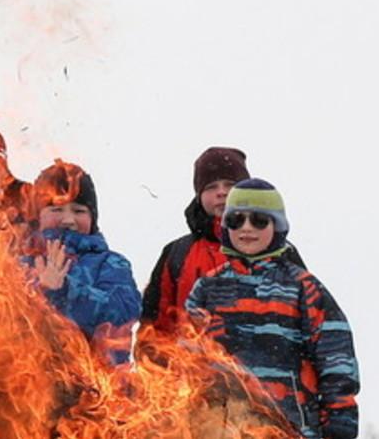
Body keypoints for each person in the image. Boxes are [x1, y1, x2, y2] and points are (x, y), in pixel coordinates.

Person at [186, 179, 358, 439]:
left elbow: (334, 354)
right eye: (236, 220)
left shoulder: (301, 287)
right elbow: (187, 355)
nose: (246, 228)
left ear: (277, 226)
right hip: (222, 426)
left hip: (288, 426)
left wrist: (339, 414)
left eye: (259, 220)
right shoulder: (208, 288)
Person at [141, 147, 305, 333]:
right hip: (192, 358)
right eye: (211, 187)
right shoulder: (177, 253)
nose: (222, 192)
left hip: (268, 358)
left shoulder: (280, 251)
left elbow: (308, 320)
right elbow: (155, 325)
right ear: (199, 196)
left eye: (230, 185)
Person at [22, 161, 141, 365]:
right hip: (30, 381)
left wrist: (64, 290)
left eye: (78, 211)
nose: (68, 220)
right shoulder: (19, 263)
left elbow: (122, 312)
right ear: (37, 216)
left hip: (98, 384)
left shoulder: (111, 263)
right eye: (57, 209)